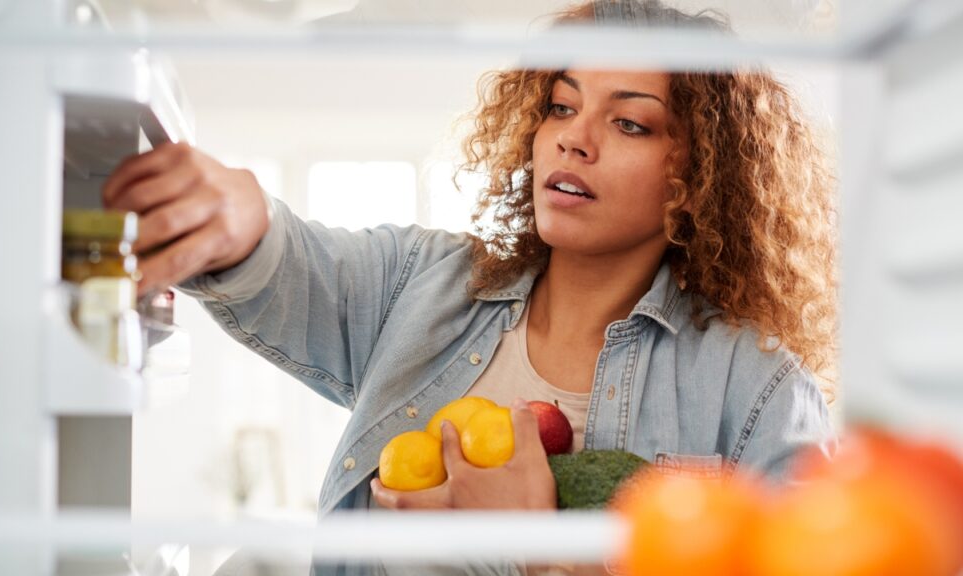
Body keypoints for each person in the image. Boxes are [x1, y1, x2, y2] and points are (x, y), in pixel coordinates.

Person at [103, 0, 838, 572]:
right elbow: (291, 260)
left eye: (629, 123)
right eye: (561, 104)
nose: (574, 138)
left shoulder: (758, 390)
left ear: (692, 177)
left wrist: (547, 546)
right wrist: (240, 214)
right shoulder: (425, 286)